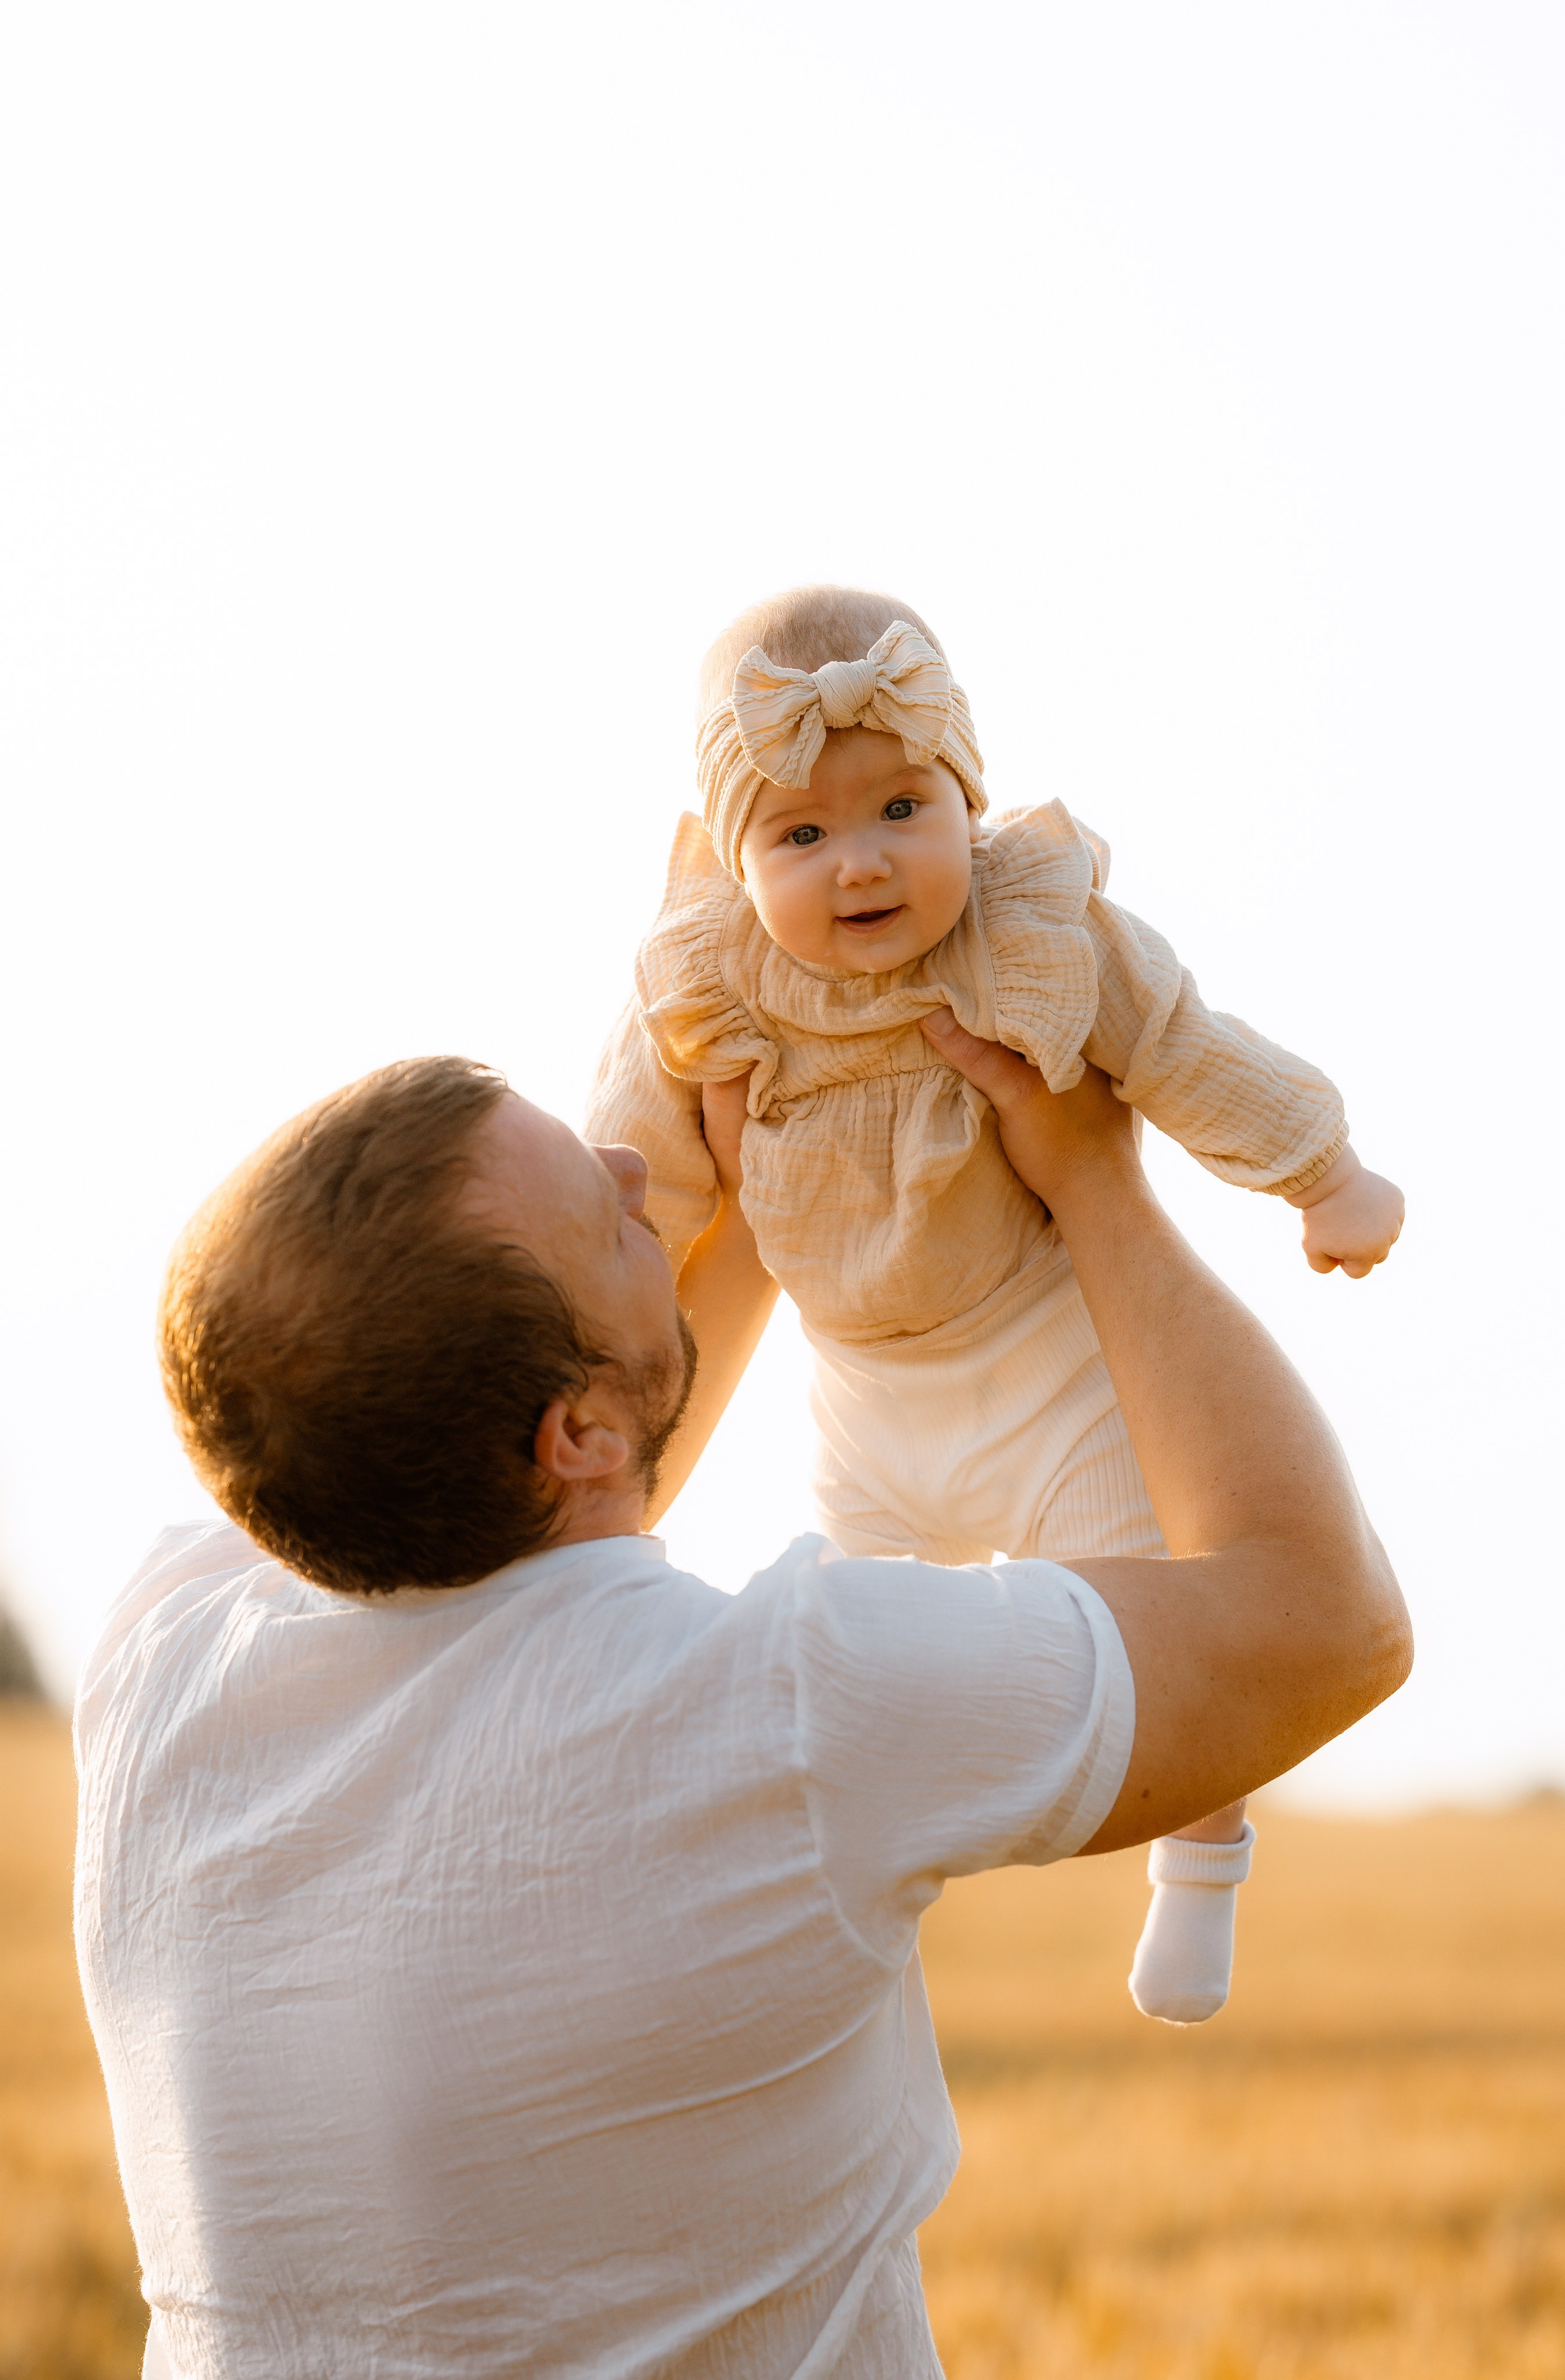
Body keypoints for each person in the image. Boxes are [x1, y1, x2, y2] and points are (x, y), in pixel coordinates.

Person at [76, 1039, 1409, 2380]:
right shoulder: (788, 1709)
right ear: (573, 1436)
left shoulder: (158, 1657)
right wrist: (1098, 1182)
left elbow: (519, 1527)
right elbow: (1327, 1621)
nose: (630, 1163)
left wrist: (759, 1241)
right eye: (604, 1214)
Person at [587, 584, 1406, 2024]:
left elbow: (1184, 1049)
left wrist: (1319, 1173)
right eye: (800, 836)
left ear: (967, 798)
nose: (860, 864)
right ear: (733, 854)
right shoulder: (707, 984)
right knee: (837, 1664)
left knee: (1167, 1615)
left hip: (1043, 1361)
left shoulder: (1035, 933)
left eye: (902, 809)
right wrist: (592, 1314)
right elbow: (634, 1182)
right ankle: (836, 1926)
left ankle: (1198, 1865)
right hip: (860, 1400)